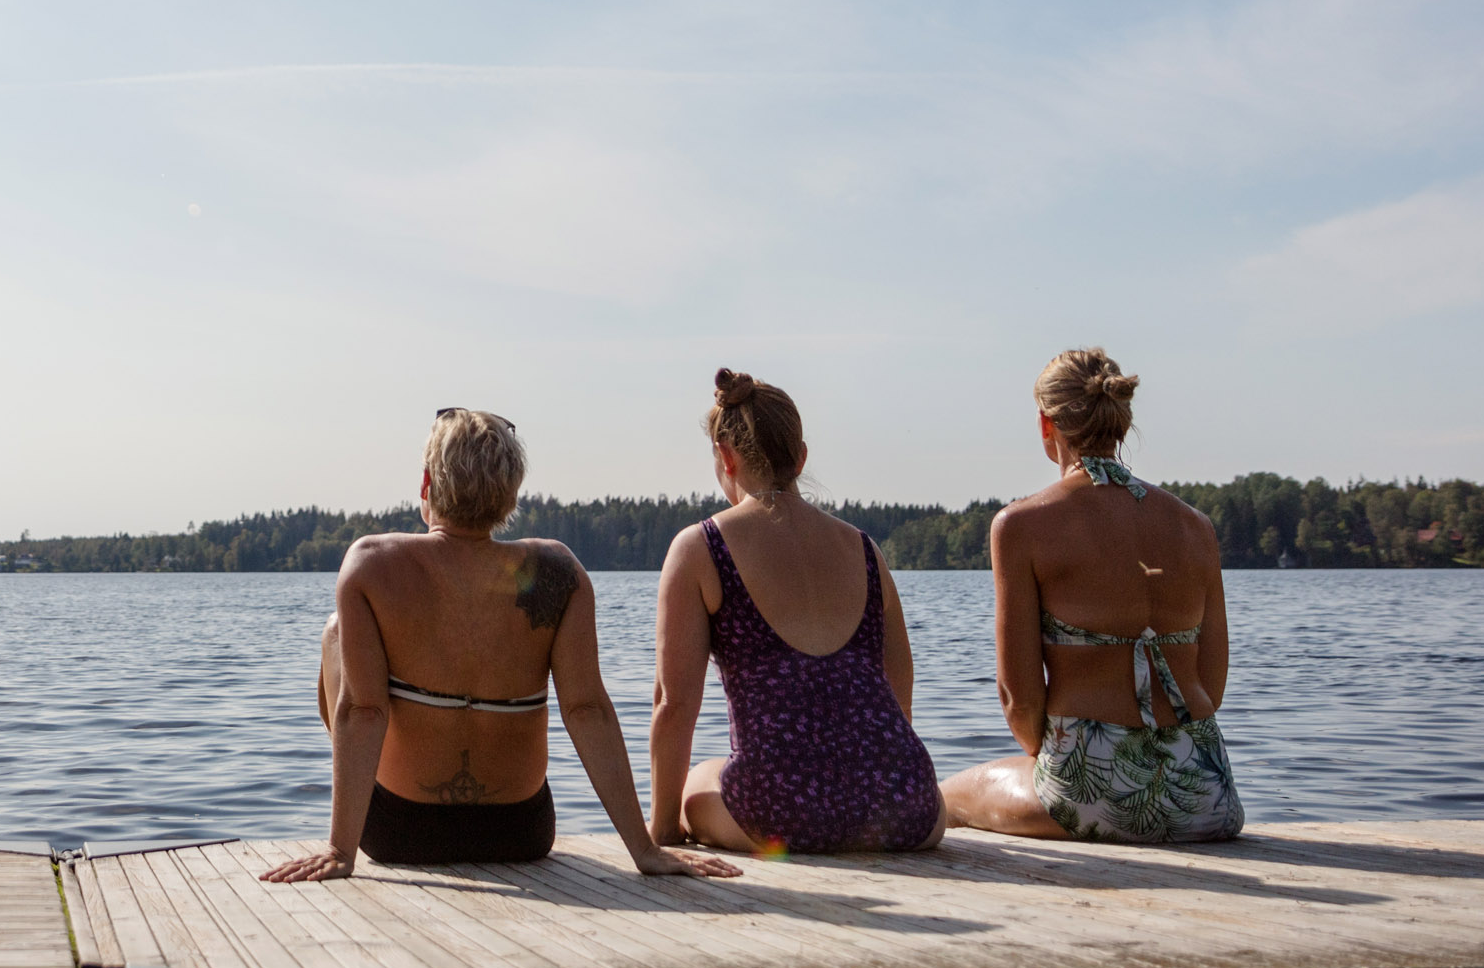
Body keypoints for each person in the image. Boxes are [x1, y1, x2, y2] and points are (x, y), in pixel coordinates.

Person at [262, 408, 739, 882]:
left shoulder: (370, 564)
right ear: (512, 492)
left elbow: (361, 712)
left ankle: (363, 802)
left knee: (336, 632)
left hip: (398, 830)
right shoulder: (557, 571)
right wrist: (644, 848)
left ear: (428, 485)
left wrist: (341, 851)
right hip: (521, 830)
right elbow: (588, 710)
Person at [938, 349, 1244, 844]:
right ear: (1121, 419)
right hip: (1207, 794)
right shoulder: (1195, 526)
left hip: (1090, 794)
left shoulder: (1021, 525)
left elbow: (1019, 700)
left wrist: (1072, 764)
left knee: (945, 795)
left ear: (1045, 423)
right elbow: (1211, 685)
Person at [651, 369, 942, 856]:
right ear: (801, 456)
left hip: (782, 816)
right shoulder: (866, 550)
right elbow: (900, 699)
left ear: (726, 456)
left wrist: (661, 834)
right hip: (909, 810)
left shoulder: (700, 548)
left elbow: (674, 706)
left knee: (697, 783)